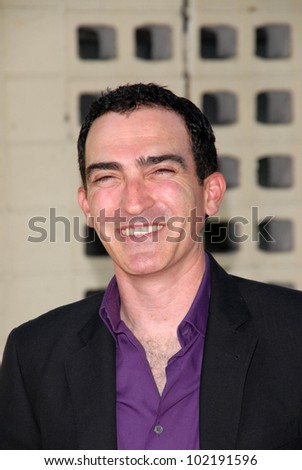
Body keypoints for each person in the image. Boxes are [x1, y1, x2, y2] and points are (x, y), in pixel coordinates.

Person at [1, 83, 302, 450]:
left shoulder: (294, 335)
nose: (133, 204)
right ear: (87, 207)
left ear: (211, 194)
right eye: (107, 177)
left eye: (160, 170)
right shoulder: (32, 354)